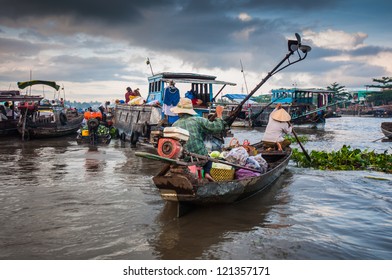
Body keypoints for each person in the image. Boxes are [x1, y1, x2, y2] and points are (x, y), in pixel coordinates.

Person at [170, 98, 226, 181]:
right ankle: (207, 173)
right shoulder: (198, 120)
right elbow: (218, 127)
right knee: (208, 159)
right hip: (199, 158)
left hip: (182, 158)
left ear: (179, 112)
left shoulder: (174, 125)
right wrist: (219, 115)